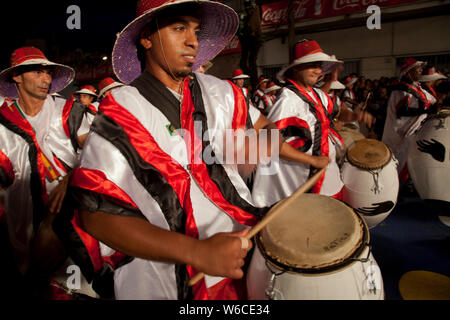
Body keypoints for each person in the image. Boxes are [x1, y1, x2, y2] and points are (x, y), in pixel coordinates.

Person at [53, 0, 328, 300]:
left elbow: (267, 129)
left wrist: (247, 150)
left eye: (195, 31)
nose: (192, 41)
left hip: (246, 245)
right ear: (147, 38)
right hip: (167, 274)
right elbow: (96, 215)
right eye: (179, 28)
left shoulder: (221, 93)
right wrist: (197, 252)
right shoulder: (122, 109)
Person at [0, 46, 95, 298]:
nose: (46, 79)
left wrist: (72, 177)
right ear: (17, 77)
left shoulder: (68, 112)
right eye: (37, 72)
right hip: (24, 233)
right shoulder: (2, 122)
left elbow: (103, 148)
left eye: (47, 73)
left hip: (76, 223)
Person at [252, 40, 374, 206]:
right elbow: (272, 144)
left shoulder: (318, 94)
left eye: (319, 66)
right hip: (303, 181)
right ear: (295, 68)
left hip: (327, 175)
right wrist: (313, 161)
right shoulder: (287, 101)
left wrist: (355, 116)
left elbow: (338, 111)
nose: (318, 70)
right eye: (312, 65)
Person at [382, 58, 437, 181]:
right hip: (401, 133)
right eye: (418, 69)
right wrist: (425, 111)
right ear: (409, 71)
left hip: (411, 132)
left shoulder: (415, 86)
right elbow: (402, 111)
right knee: (399, 160)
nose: (421, 71)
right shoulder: (402, 89)